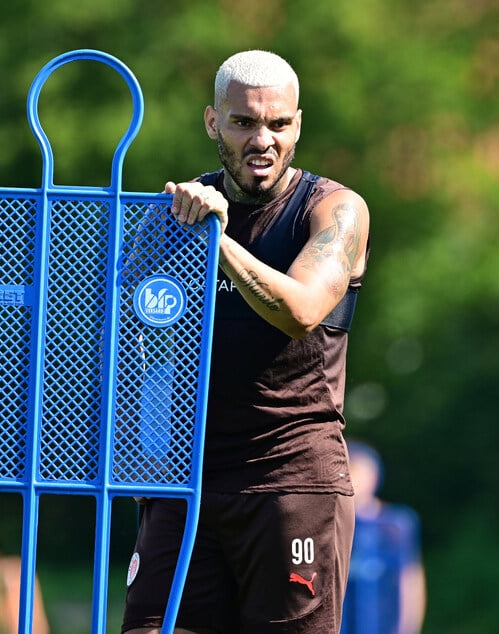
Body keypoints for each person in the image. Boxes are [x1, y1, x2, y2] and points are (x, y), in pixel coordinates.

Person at [121, 49, 371, 634]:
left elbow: (302, 310)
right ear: (213, 123)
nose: (263, 139)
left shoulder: (334, 209)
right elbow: (136, 350)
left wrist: (218, 240)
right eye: (244, 122)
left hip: (292, 483)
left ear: (299, 124)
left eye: (279, 124)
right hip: (185, 489)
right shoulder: (167, 217)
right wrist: (142, 468)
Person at [341, 441, 426, 634]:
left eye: (355, 471)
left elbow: (410, 581)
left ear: (374, 476)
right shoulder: (329, 525)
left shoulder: (396, 524)